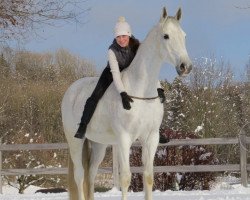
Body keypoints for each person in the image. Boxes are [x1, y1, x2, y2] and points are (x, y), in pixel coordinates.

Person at [74, 16, 168, 143]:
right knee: (95, 96)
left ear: (129, 35)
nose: (121, 39)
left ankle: (154, 130)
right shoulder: (112, 50)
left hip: (132, 73)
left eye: (124, 36)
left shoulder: (137, 47)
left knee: (151, 101)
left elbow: (149, 71)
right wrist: (122, 93)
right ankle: (83, 126)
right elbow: (116, 74)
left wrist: (159, 88)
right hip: (112, 72)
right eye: (118, 37)